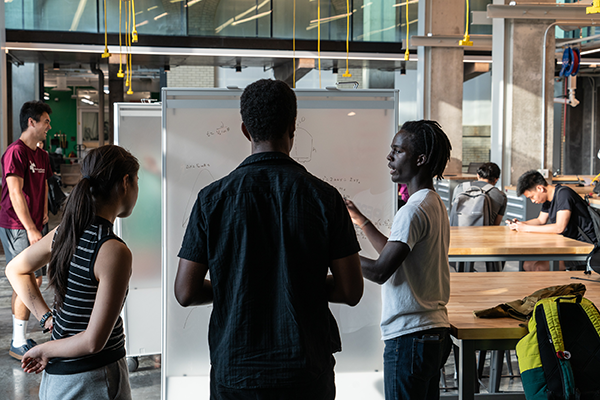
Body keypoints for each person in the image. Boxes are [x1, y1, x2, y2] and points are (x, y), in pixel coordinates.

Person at [174, 79, 363, 400]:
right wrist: (298, 284)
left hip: (236, 369)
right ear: (293, 127)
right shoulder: (324, 197)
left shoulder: (211, 199)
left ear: (246, 130)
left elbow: (185, 292)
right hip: (305, 369)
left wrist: (236, 285)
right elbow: (350, 290)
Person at [5, 145, 139, 400]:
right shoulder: (113, 251)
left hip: (57, 381)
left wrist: (46, 318)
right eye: (137, 181)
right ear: (125, 182)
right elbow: (92, 342)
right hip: (94, 381)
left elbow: (15, 270)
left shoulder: (64, 234)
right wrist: (45, 349)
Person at [345, 120, 453, 400]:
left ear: (420, 159)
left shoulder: (413, 210)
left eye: (397, 150)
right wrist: (362, 221)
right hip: (432, 334)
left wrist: (333, 254)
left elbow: (381, 271)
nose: (389, 157)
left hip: (409, 338)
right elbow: (394, 255)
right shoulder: (432, 203)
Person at [0, 101, 53, 360]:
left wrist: (42, 217)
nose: (49, 127)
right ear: (31, 122)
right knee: (25, 278)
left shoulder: (42, 155)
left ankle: (20, 337)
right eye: (45, 121)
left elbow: (41, 185)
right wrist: (31, 227)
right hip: (17, 225)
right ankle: (18, 341)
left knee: (36, 280)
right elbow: (14, 192)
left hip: (35, 224)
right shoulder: (15, 152)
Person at [509, 170, 596, 271]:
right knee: (527, 265)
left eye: (532, 197)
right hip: (569, 243)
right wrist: (519, 224)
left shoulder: (564, 194)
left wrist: (525, 228)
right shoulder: (548, 200)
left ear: (540, 188)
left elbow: (559, 228)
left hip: (584, 247)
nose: (532, 201)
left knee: (539, 267)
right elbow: (540, 220)